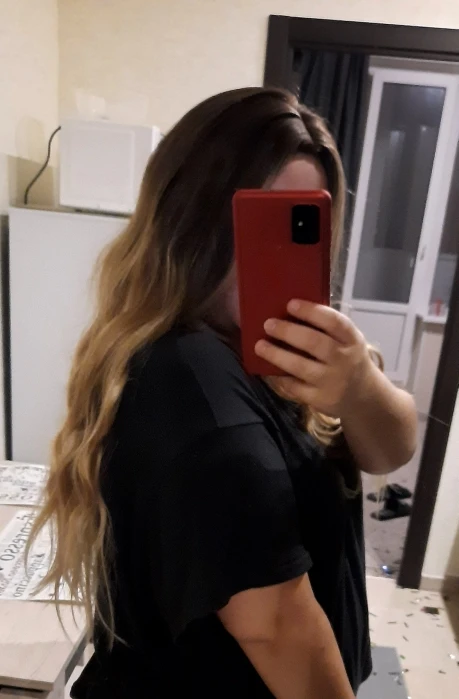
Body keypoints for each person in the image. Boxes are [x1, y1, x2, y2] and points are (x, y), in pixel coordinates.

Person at [28, 87, 417, 698]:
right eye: (254, 221)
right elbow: (277, 626)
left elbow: (392, 448)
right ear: (190, 219)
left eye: (299, 222)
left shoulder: (295, 351)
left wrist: (361, 387)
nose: (266, 255)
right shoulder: (192, 377)